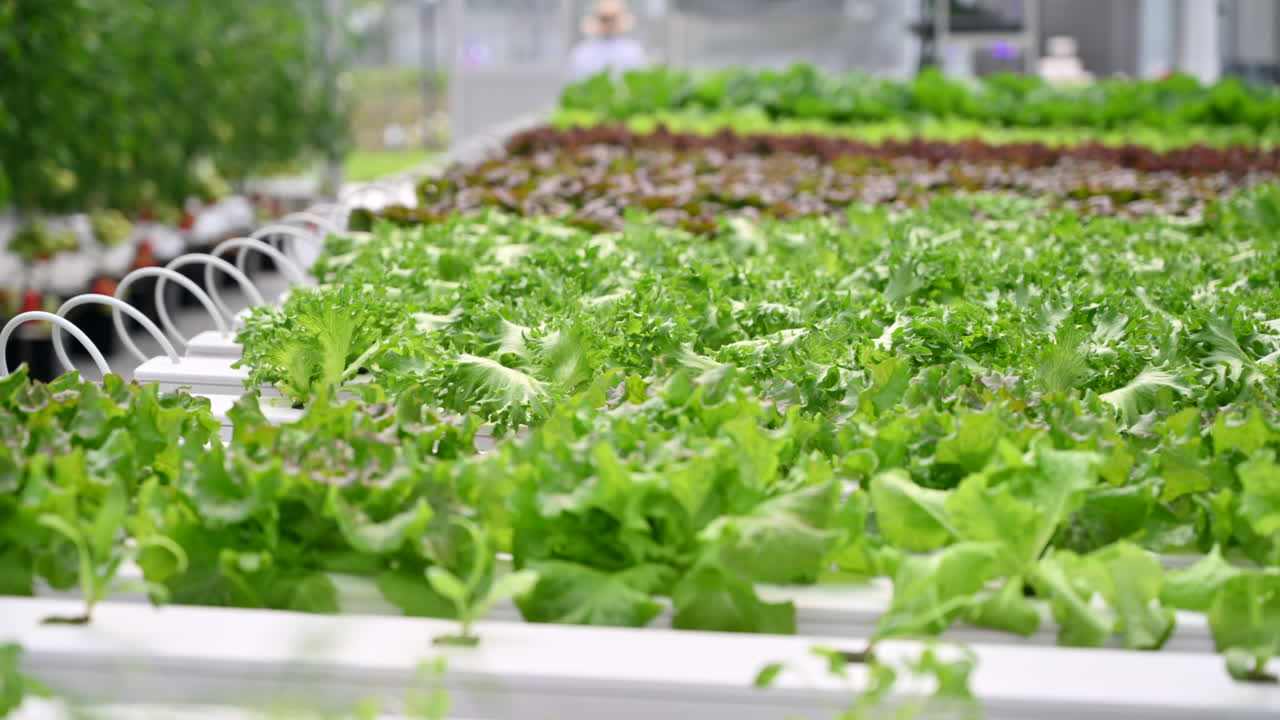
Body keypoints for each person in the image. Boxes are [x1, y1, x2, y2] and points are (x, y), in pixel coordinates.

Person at [568, 0, 647, 81]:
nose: (609, 24)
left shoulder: (632, 52)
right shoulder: (582, 53)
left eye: (612, 19)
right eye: (605, 19)